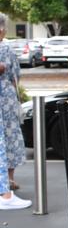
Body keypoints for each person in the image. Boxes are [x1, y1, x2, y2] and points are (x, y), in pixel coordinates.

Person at [0, 14, 31, 210]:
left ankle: (7, 185)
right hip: (6, 98)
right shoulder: (5, 48)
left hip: (6, 97)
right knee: (7, 139)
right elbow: (13, 75)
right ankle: (6, 190)